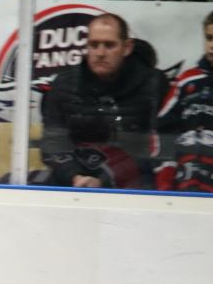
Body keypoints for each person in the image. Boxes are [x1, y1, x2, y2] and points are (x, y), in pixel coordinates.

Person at [38, 13, 162, 190]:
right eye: (94, 45)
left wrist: (105, 179)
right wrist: (75, 176)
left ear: (127, 47)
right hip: (73, 183)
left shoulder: (153, 85)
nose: (100, 53)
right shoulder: (64, 84)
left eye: (109, 45)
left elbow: (155, 151)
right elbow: (53, 144)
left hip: (132, 186)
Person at [155, 10, 213, 193]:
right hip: (184, 183)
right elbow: (163, 128)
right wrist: (165, 176)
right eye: (209, 38)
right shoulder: (187, 80)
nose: (212, 46)